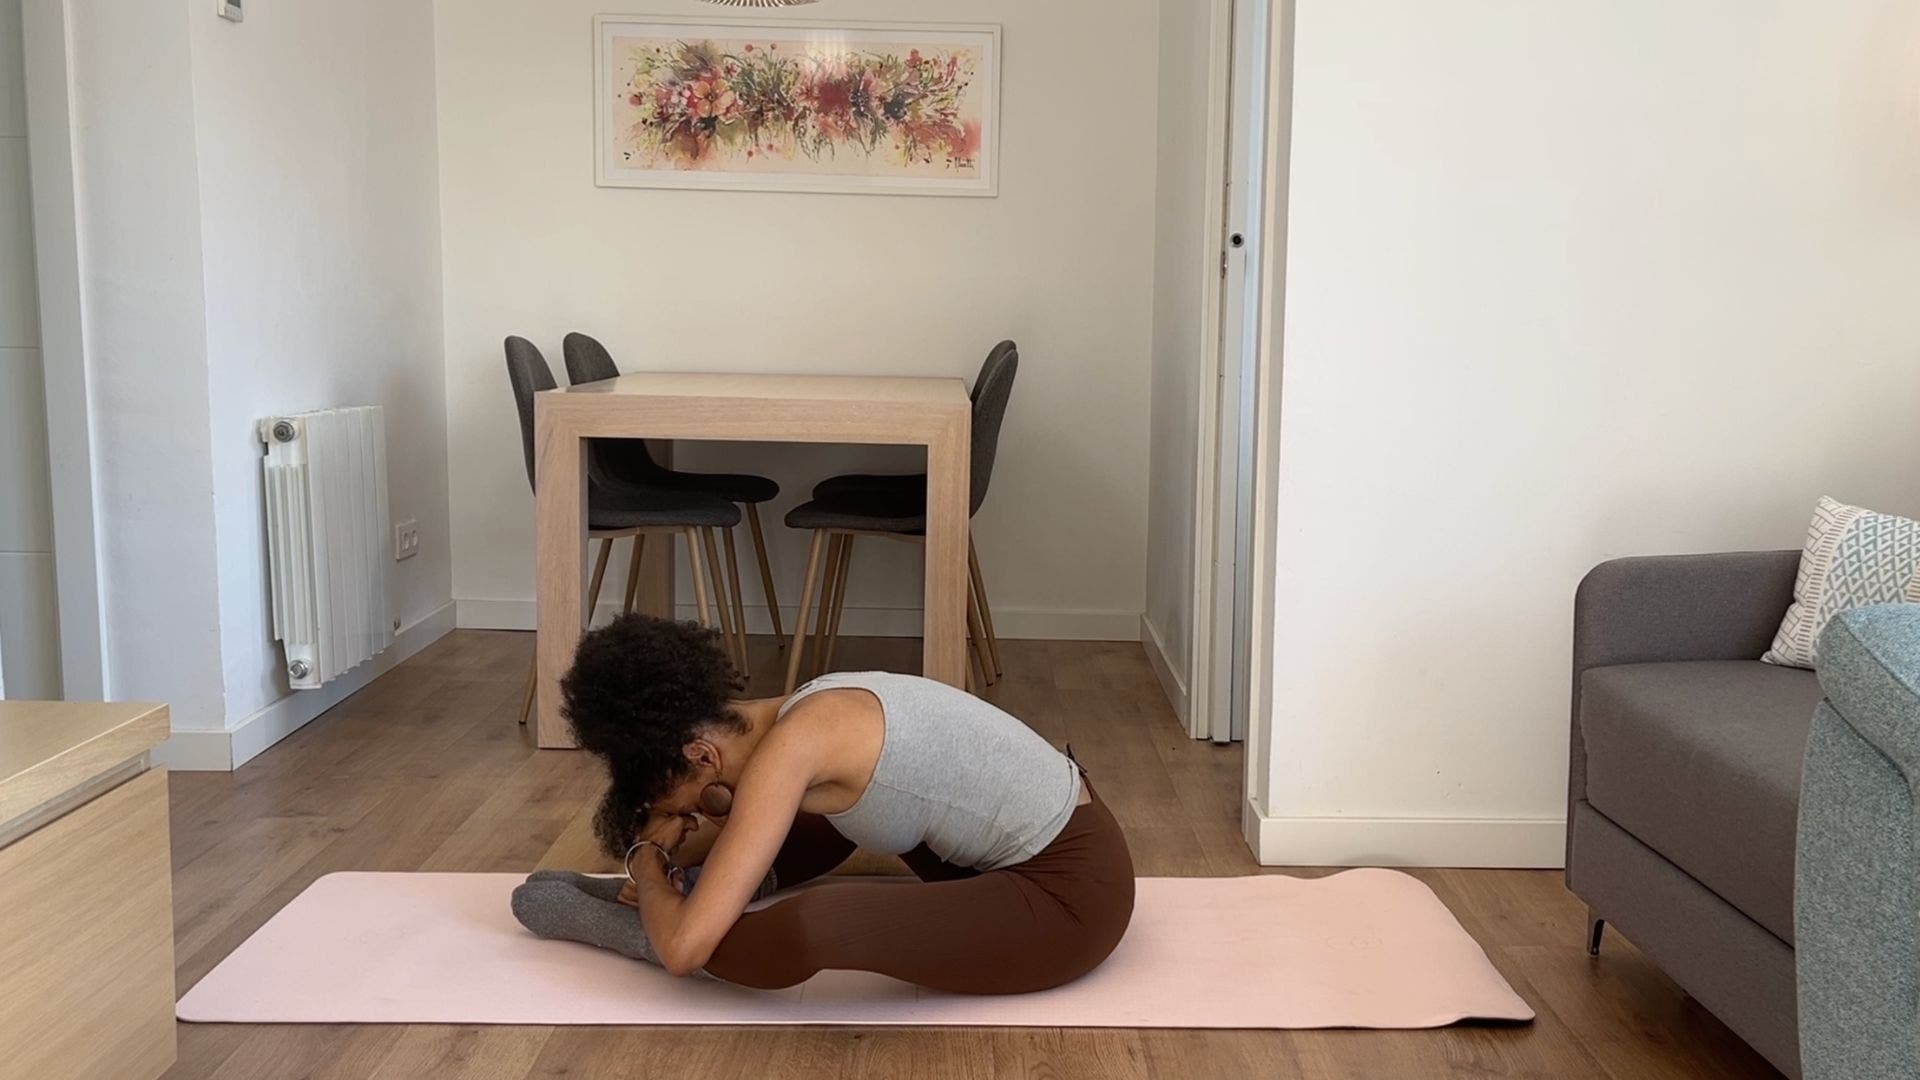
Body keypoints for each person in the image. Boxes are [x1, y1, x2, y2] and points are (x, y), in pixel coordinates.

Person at [511, 614, 1135, 994]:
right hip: (994, 858)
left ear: (701, 754)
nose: (688, 817)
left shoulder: (796, 747)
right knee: (829, 820)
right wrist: (669, 858)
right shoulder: (805, 704)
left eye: (676, 802)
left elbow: (684, 954)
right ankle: (690, 899)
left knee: (817, 925)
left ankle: (633, 926)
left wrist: (650, 872)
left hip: (1070, 903)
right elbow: (752, 820)